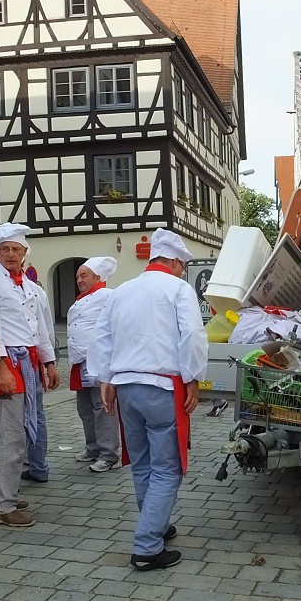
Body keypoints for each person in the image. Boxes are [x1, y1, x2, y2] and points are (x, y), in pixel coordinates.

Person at [89, 229, 207, 572]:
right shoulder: (178, 289)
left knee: (141, 464)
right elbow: (193, 337)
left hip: (126, 386)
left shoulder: (121, 291)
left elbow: (102, 336)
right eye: (181, 266)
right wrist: (193, 379)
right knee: (168, 468)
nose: (182, 271)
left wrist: (105, 379)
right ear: (171, 261)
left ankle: (156, 523)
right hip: (163, 386)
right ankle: (147, 546)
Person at [0, 224, 59, 526]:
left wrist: (48, 363)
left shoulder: (30, 287)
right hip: (9, 364)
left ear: (24, 254)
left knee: (21, 434)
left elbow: (41, 328)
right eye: (5, 249)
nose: (10, 254)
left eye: (16, 249)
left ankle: (5, 490)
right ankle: (2, 504)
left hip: (29, 364)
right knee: (9, 436)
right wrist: (1, 368)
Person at [67, 257, 120, 473]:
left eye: (84, 275)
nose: (79, 280)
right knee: (86, 409)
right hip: (80, 363)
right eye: (78, 276)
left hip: (98, 362)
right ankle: (93, 447)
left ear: (98, 277)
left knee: (103, 409)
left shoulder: (108, 296)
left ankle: (109, 454)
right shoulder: (82, 298)